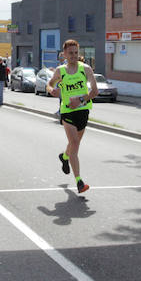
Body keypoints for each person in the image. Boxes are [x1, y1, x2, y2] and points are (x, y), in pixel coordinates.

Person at [47, 39, 99, 194]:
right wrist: (52, 90)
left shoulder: (86, 69)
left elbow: (95, 92)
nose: (74, 56)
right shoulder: (60, 71)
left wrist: (81, 100)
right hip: (67, 111)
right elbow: (49, 84)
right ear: (64, 54)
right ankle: (79, 182)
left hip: (83, 110)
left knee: (73, 145)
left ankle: (64, 157)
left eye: (76, 52)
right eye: (70, 53)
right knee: (75, 143)